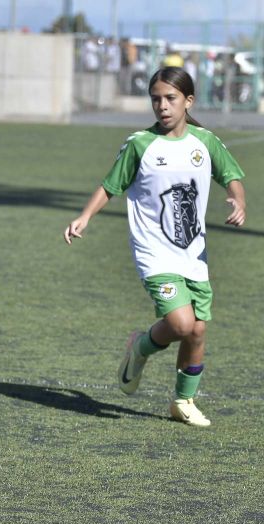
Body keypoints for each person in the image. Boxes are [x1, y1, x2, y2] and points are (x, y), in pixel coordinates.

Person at [64, 67, 247, 427]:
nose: (162, 106)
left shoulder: (205, 142)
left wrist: (238, 201)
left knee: (197, 330)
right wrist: (85, 217)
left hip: (193, 253)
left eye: (170, 98)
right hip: (153, 252)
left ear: (188, 101)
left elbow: (232, 175)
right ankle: (140, 347)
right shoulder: (140, 144)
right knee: (180, 323)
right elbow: (109, 186)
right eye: (156, 99)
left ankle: (183, 401)